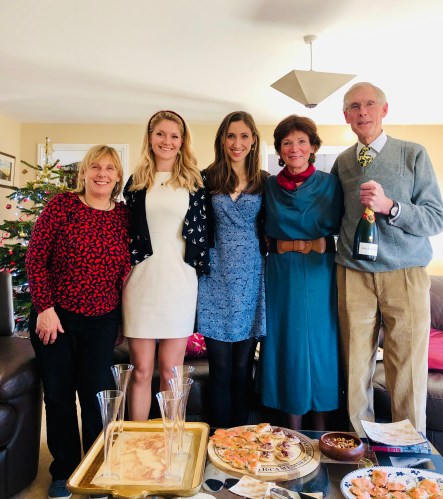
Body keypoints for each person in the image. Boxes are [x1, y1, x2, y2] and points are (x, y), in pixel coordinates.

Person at [331, 82, 443, 436]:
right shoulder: (343, 162)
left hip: (404, 274)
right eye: (354, 107)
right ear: (346, 116)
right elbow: (334, 216)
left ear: (384, 110)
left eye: (369, 104)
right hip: (353, 274)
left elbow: (435, 218)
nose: (362, 112)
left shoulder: (413, 154)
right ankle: (358, 448)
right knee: (355, 368)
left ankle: (407, 452)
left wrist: (391, 207)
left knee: (407, 371)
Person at [25, 145, 130, 499]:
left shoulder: (123, 216)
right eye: (95, 167)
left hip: (102, 320)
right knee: (58, 395)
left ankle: (96, 469)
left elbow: (126, 274)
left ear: (118, 176)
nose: (102, 174)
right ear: (83, 172)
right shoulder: (62, 206)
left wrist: (121, 320)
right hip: (56, 317)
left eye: (110, 168)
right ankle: (64, 471)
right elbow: (35, 256)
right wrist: (44, 307)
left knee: (95, 396)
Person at [258, 115, 343, 430]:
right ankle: (292, 434)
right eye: (287, 142)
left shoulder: (330, 183)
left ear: (313, 147)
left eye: (302, 141)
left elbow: (346, 228)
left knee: (322, 345)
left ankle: (321, 434)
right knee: (288, 342)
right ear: (280, 149)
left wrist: (319, 243)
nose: (295, 148)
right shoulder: (268, 186)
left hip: (321, 272)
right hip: (281, 274)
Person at [122, 110, 209, 421]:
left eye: (174, 136)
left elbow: (204, 235)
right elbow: (125, 233)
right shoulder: (135, 183)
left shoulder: (195, 182)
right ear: (150, 138)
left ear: (182, 141)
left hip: (179, 283)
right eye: (160, 134)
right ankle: (136, 441)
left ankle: (172, 441)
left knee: (171, 371)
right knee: (141, 370)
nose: (167, 141)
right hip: (140, 283)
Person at [197, 111, 267, 428]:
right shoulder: (205, 178)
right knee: (220, 368)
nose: (237, 143)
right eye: (231, 136)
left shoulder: (264, 181)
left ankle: (241, 439)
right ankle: (217, 439)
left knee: (242, 369)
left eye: (244, 136)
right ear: (222, 140)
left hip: (251, 280)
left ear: (253, 141)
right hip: (215, 280)